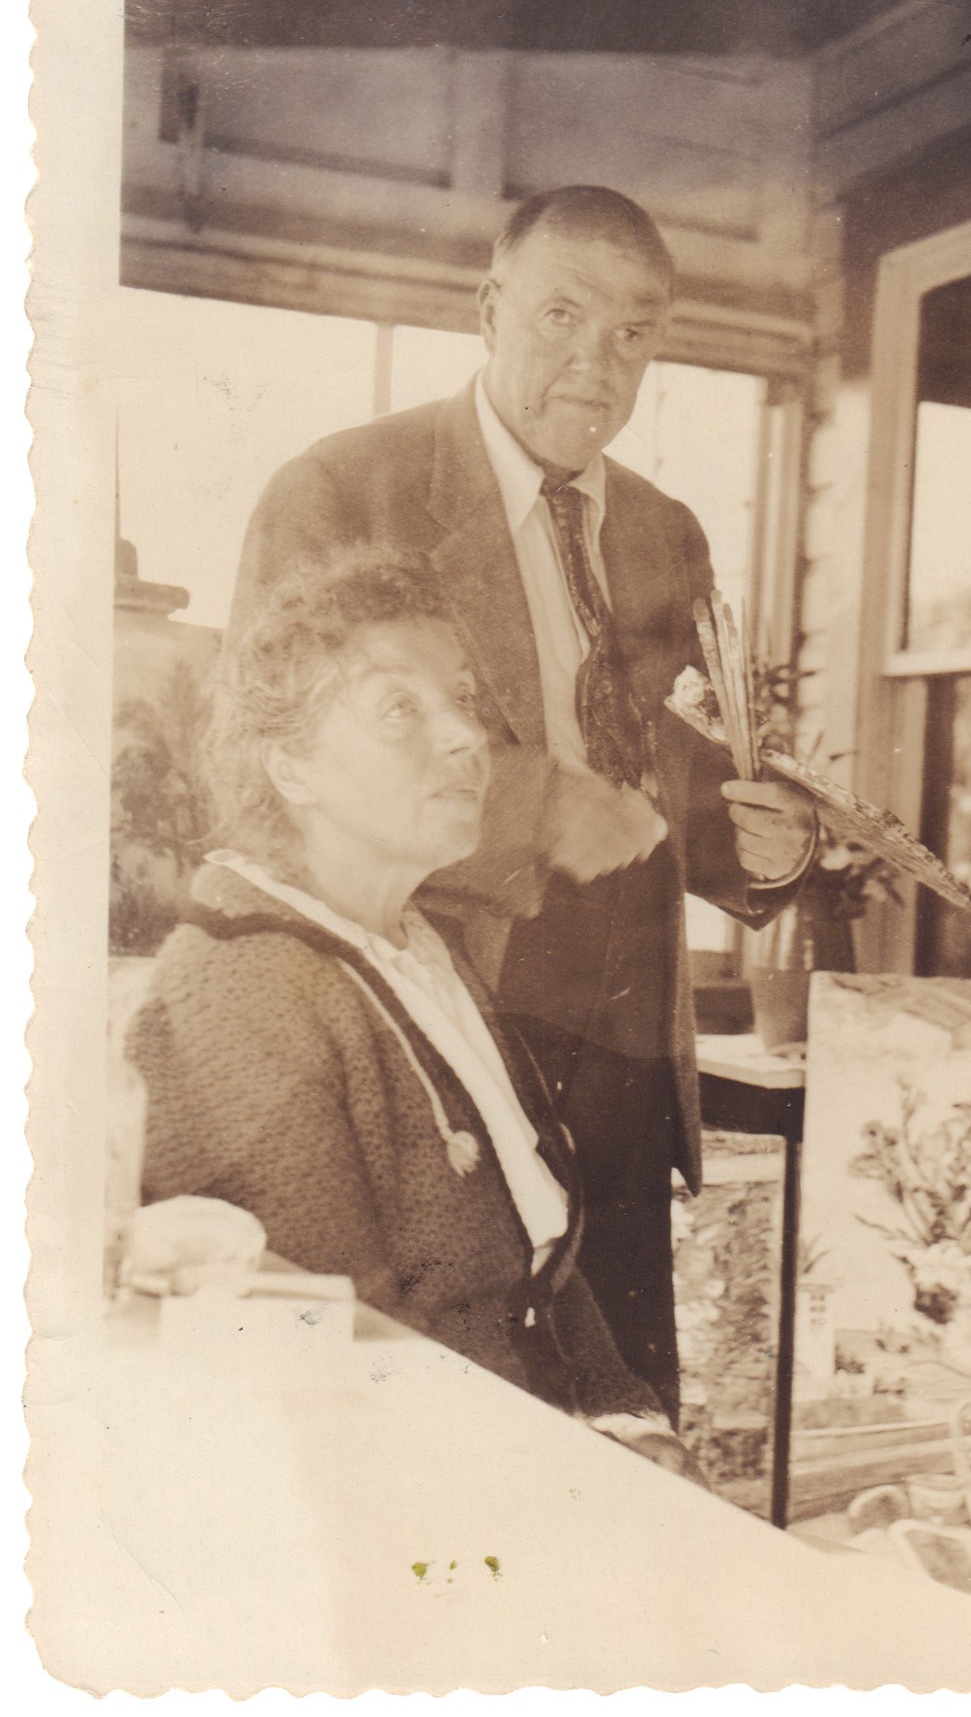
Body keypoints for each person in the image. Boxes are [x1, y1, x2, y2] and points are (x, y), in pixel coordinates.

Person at [226, 186, 818, 1421]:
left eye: (634, 333)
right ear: (489, 311)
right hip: (432, 1015)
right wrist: (540, 807)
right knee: (444, 1416)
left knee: (626, 1420)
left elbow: (679, 773)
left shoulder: (664, 531)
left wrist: (764, 847)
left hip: (627, 1046)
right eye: (562, 316)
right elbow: (278, 769)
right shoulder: (343, 490)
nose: (597, 363)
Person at [130, 549, 689, 1467]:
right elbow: (332, 1379)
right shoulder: (244, 991)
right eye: (400, 708)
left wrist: (632, 1420)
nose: (467, 735)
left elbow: (539, 1259)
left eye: (462, 698)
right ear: (291, 767)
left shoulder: (418, 950)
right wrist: (585, 1481)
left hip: (531, 1457)